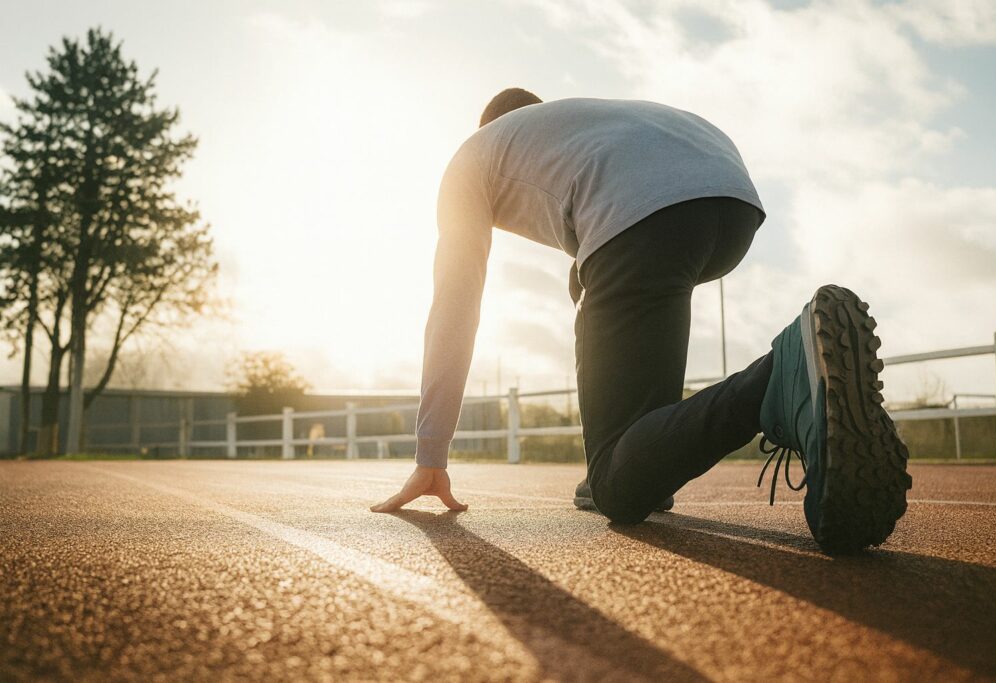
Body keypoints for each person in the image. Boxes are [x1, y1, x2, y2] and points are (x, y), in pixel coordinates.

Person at [371, 88, 911, 554]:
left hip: (640, 213)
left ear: (490, 127)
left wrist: (431, 453)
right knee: (630, 415)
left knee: (615, 490)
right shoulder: (576, 125)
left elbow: (454, 303)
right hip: (729, 197)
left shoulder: (473, 155)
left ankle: (781, 375)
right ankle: (654, 459)